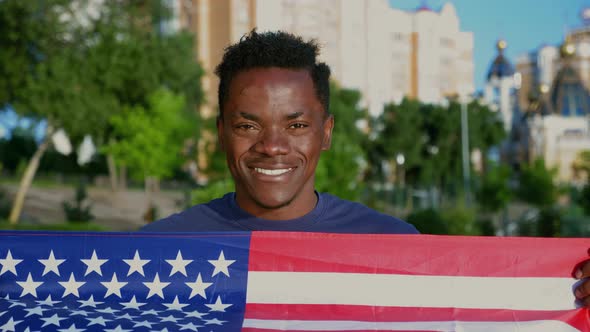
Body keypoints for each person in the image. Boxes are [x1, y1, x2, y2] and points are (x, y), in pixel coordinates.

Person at [140, 30, 590, 307]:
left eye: (296, 124)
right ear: (221, 132)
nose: (273, 146)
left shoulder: (398, 249)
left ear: (327, 132)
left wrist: (570, 294)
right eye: (247, 125)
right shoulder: (151, 256)